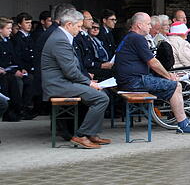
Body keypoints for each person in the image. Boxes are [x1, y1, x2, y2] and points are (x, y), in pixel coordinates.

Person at [114, 12, 190, 134]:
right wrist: (169, 76)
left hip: (130, 80)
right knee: (175, 85)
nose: (150, 27)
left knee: (172, 85)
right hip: (135, 82)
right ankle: (183, 124)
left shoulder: (129, 37)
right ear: (139, 25)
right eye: (147, 24)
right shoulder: (137, 38)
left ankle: (184, 122)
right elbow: (153, 62)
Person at [40, 9, 111, 149]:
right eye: (78, 26)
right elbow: (71, 71)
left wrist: (88, 82)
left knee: (103, 94)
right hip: (58, 84)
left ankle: (91, 133)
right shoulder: (60, 40)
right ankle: (81, 135)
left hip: (62, 82)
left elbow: (71, 70)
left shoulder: (61, 36)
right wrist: (89, 83)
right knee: (101, 98)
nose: (80, 30)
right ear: (69, 25)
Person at [1, 17, 31, 121]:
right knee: (10, 83)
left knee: (16, 83)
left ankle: (17, 110)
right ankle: (7, 112)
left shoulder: (8, 41)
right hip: (3, 72)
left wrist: (20, 68)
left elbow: (14, 57)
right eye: (8, 28)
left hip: (10, 71)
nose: (10, 30)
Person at [12, 12, 37, 119]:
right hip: (24, 69)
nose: (29, 25)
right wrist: (22, 68)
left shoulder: (30, 36)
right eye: (26, 23)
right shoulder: (18, 38)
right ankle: (24, 108)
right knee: (29, 80)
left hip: (31, 67)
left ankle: (32, 107)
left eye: (30, 23)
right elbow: (17, 56)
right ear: (19, 24)